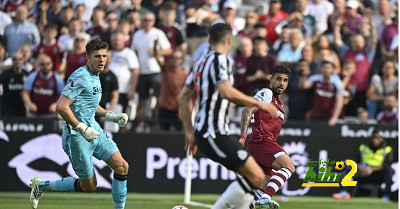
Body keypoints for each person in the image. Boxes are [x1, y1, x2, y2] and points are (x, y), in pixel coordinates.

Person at [179, 23, 279, 209]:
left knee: (255, 178)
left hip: (208, 132)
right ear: (229, 41)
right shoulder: (220, 60)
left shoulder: (200, 62)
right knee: (257, 177)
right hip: (214, 132)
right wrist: (259, 104)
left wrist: (190, 132)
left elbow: (183, 97)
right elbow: (225, 91)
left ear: (209, 40)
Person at [29, 38, 130, 209]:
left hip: (94, 129)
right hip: (77, 137)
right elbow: (61, 106)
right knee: (89, 187)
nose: (102, 60)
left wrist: (112, 116)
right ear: (87, 58)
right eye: (97, 56)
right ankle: (41, 185)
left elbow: (89, 105)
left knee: (122, 166)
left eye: (104, 56)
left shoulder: (96, 75)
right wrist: (81, 128)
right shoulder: (80, 76)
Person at [240, 65, 295, 208]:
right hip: (261, 141)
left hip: (260, 144)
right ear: (270, 79)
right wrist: (242, 137)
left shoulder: (280, 103)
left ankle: (258, 201)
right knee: (288, 166)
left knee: (265, 184)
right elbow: (247, 110)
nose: (281, 83)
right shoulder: (266, 93)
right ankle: (265, 200)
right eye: (278, 79)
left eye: (285, 80)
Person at [333, 129, 393, 200]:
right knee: (344, 164)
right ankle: (343, 192)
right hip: (362, 173)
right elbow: (355, 161)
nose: (375, 140)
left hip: (377, 175)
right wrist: (361, 167)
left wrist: (372, 169)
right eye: (373, 138)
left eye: (378, 138)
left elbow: (387, 164)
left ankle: (386, 195)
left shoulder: (387, 149)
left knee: (389, 170)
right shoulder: (363, 147)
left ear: (382, 139)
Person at [299, 61, 344, 126]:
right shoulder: (315, 78)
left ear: (333, 70)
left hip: (330, 115)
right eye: (324, 68)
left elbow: (339, 102)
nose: (326, 70)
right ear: (321, 69)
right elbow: (304, 86)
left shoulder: (337, 83)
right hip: (317, 114)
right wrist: (304, 75)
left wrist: (335, 117)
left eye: (328, 68)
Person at [21, 54, 64, 118]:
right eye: (43, 64)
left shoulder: (57, 78)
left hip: (51, 116)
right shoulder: (33, 76)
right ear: (39, 65)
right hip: (34, 115)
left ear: (52, 64)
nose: (45, 66)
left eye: (48, 64)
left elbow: (64, 95)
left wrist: (56, 104)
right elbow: (25, 93)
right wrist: (29, 104)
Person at [0, 51, 28, 118]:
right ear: (12, 60)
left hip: (22, 109)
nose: (17, 61)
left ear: (23, 60)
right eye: (15, 59)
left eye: (20, 59)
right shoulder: (5, 74)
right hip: (7, 109)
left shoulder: (26, 74)